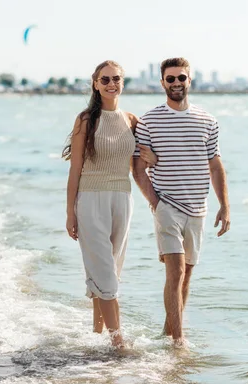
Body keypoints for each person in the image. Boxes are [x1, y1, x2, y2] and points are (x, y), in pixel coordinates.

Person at [132, 57, 231, 347]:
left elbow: (215, 165)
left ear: (190, 80)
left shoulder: (208, 121)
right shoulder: (149, 121)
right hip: (167, 206)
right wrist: (155, 202)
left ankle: (168, 332)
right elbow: (137, 167)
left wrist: (225, 205)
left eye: (181, 78)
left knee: (187, 274)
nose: (176, 83)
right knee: (174, 271)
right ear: (162, 82)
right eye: (170, 78)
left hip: (198, 208)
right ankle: (179, 343)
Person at [63, 60, 157, 348]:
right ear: (95, 83)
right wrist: (70, 213)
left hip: (123, 200)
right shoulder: (85, 120)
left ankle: (96, 336)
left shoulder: (131, 120)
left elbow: (145, 158)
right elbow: (75, 168)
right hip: (90, 200)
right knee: (105, 272)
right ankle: (118, 343)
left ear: (123, 82)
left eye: (116, 78)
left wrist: (151, 158)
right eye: (105, 79)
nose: (111, 83)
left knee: (110, 270)